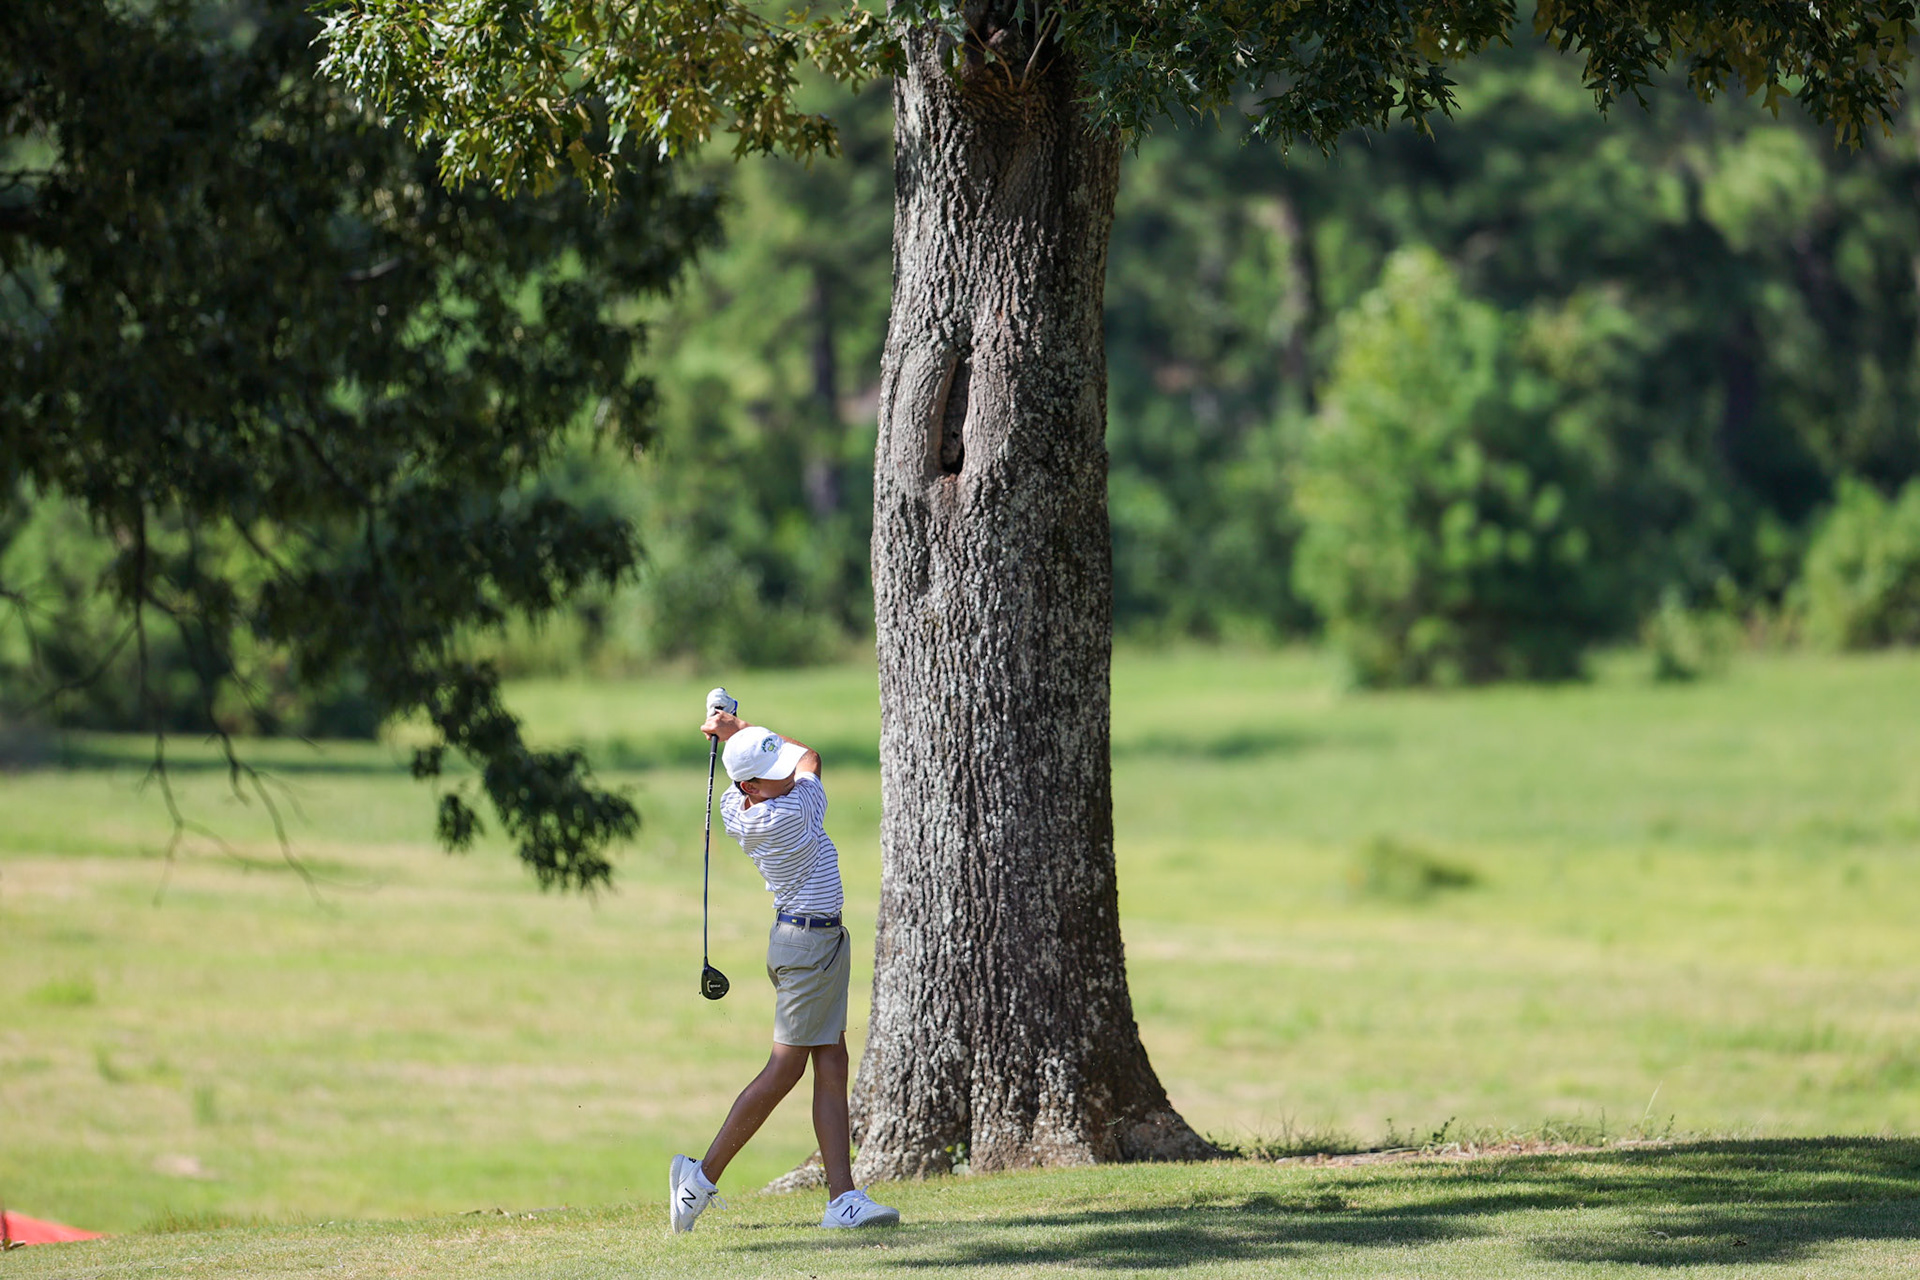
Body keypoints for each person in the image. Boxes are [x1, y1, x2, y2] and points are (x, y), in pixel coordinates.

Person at [667, 706, 901, 1233]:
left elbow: (779, 767)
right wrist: (740, 725)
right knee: (785, 1069)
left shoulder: (734, 804)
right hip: (809, 947)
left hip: (811, 942)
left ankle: (843, 1199)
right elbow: (810, 757)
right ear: (753, 786)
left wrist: (734, 737)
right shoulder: (795, 811)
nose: (783, 777)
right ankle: (699, 1180)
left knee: (832, 1061)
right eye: (771, 776)